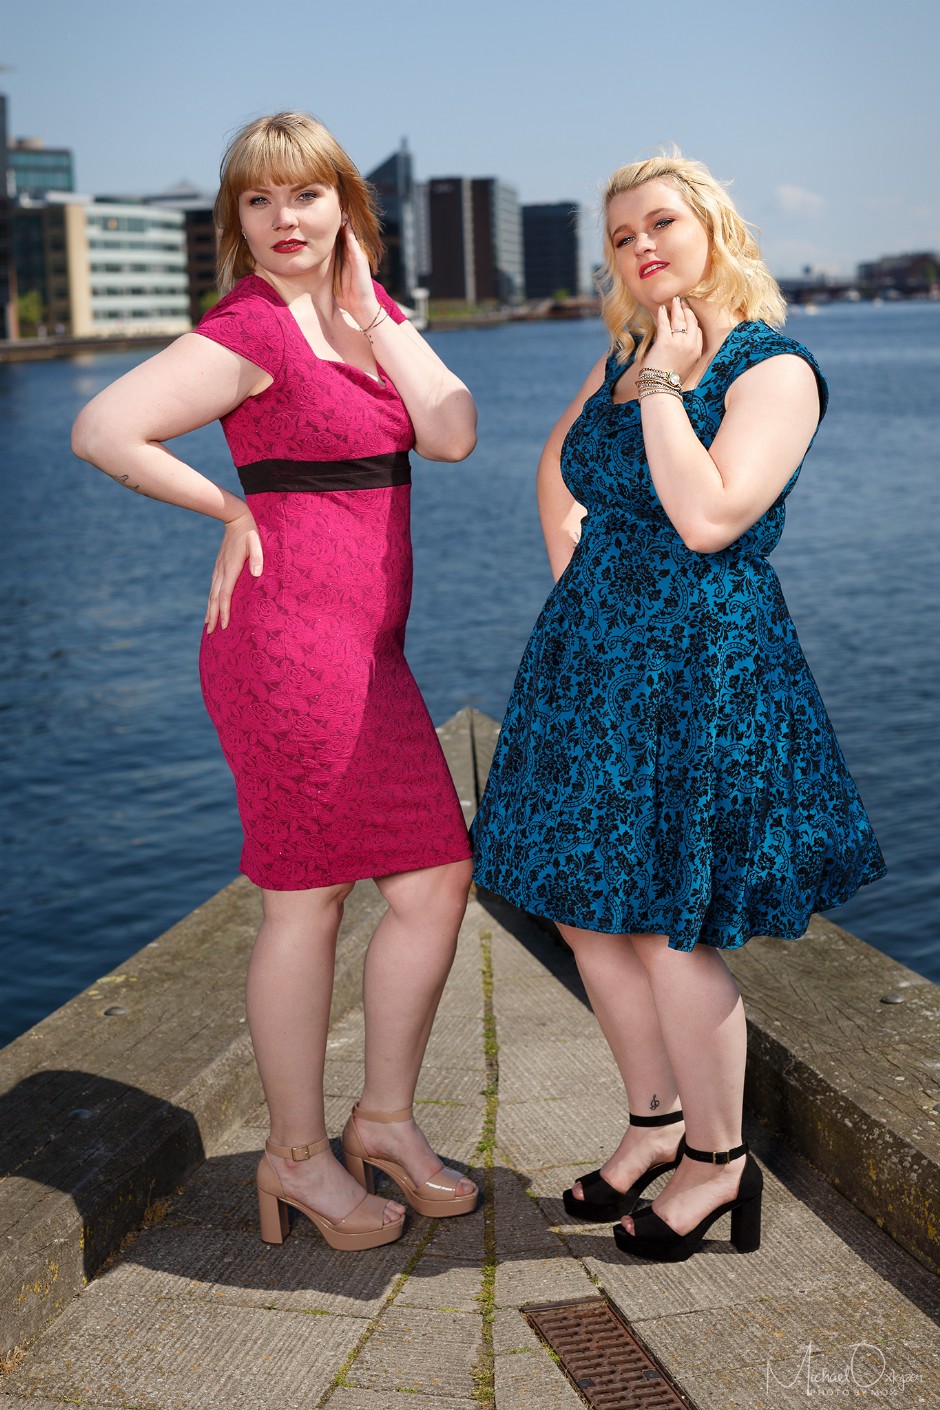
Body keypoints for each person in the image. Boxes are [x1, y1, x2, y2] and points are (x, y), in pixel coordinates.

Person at [72, 111, 479, 1253]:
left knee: (435, 878)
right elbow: (104, 429)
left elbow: (452, 434)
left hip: (371, 655)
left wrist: (372, 311)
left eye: (305, 195)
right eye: (259, 199)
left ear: (346, 206)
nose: (283, 217)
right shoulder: (249, 327)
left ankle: (382, 1121)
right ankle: (296, 1157)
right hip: (287, 649)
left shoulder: (366, 314)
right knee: (308, 896)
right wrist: (228, 507)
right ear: (237, 220)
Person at [472, 151, 885, 1262]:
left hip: (701, 669)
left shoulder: (771, 369)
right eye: (621, 236)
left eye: (660, 222)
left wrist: (662, 386)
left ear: (714, 229)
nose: (640, 246)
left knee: (666, 923)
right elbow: (560, 470)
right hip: (591, 664)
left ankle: (718, 1158)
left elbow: (708, 519)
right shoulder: (625, 351)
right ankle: (654, 1123)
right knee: (581, 908)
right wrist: (579, 584)